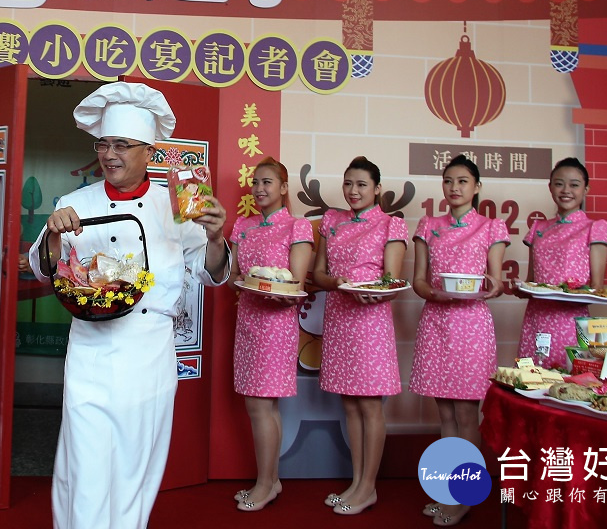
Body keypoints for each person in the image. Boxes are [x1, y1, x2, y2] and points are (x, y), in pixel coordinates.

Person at [27, 82, 230, 529]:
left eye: (122, 145)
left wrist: (215, 237)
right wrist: (54, 235)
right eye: (103, 144)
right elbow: (43, 270)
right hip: (91, 350)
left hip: (148, 351)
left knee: (136, 460)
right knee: (85, 459)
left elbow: (210, 271)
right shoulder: (74, 203)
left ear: (148, 151)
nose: (109, 154)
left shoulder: (175, 205)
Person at [410, 155, 506, 527]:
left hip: (471, 325)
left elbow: (495, 282)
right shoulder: (429, 225)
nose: (454, 187)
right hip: (436, 321)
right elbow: (420, 281)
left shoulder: (491, 227)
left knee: (466, 414)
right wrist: (434, 293)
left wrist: (488, 287)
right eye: (448, 180)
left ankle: (465, 494)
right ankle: (447, 491)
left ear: (477, 186)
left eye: (463, 181)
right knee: (445, 413)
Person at [312, 156, 407, 517]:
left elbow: (391, 280)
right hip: (339, 317)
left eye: (362, 185)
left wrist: (374, 291)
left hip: (370, 321)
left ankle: (369, 486)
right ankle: (356, 483)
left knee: (369, 404)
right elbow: (319, 274)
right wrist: (338, 283)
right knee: (349, 404)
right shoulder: (332, 221)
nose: (353, 191)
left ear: (377, 189)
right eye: (348, 183)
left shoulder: (391, 224)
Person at [228, 157, 313, 513]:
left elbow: (296, 283)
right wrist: (241, 280)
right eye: (256, 182)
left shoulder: (297, 226)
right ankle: (271, 480)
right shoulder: (242, 226)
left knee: (262, 405)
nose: (259, 188)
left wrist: (275, 290)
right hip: (248, 320)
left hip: (276, 324)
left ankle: (265, 485)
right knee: (261, 405)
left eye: (267, 182)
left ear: (283, 187)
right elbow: (233, 274)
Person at [517, 158, 607, 368]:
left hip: (571, 319)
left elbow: (597, 287)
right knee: (531, 376)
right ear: (550, 187)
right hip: (536, 317)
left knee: (569, 377)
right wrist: (521, 288)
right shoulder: (539, 228)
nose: (566, 190)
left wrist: (572, 291)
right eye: (559, 184)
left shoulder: (595, 227)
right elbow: (531, 281)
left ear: (586, 189)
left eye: (574, 185)